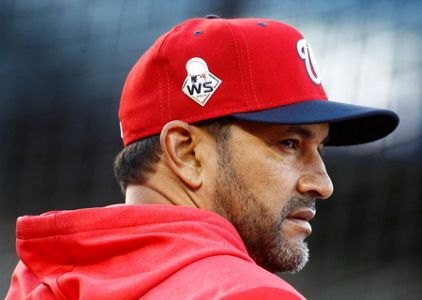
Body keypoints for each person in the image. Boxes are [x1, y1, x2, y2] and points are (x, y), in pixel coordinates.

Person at [6, 16, 398, 299]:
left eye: (320, 149)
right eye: (289, 144)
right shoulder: (247, 293)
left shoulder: (39, 281)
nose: (323, 184)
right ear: (186, 151)